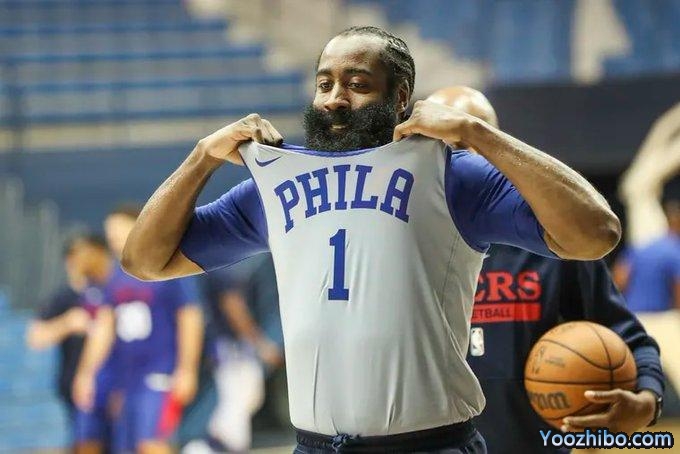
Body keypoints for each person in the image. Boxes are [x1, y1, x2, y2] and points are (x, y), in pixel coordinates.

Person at [122, 26, 621, 453]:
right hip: (316, 445)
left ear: (401, 97)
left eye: (357, 83)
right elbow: (145, 261)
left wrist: (478, 134)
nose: (335, 97)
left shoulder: (451, 173)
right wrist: (202, 157)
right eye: (325, 83)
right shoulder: (273, 184)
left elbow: (596, 234)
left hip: (430, 444)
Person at [426, 86, 664, 453]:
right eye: (445, 145)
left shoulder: (556, 243)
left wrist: (647, 401)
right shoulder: (403, 247)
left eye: (474, 140)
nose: (461, 158)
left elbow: (629, 338)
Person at [73, 206, 204, 454]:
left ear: (139, 226)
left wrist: (187, 369)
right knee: (127, 447)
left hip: (159, 372)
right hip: (127, 377)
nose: (112, 236)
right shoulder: (114, 276)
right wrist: (86, 373)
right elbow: (104, 327)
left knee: (151, 443)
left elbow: (190, 317)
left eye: (118, 229)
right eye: (109, 232)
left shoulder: (168, 263)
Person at [613, 102, 680, 398]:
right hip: (660, 318)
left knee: (621, 377)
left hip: (635, 319)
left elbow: (619, 279)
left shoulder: (644, 247)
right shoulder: (664, 245)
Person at [198, 254, 283, 452]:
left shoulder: (212, 263)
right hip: (231, 346)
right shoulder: (220, 264)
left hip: (224, 344)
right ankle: (205, 448)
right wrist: (260, 343)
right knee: (237, 404)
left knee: (245, 400)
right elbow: (232, 306)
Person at [25, 236, 94, 447]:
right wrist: (67, 323)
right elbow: (35, 337)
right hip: (74, 384)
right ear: (69, 261)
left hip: (114, 383)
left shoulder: (110, 291)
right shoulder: (62, 298)